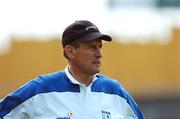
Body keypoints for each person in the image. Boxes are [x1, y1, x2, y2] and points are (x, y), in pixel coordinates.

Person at [0, 20, 144, 119]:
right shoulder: (40, 89)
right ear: (70, 52)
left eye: (100, 47)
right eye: (92, 47)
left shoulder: (116, 92)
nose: (99, 54)